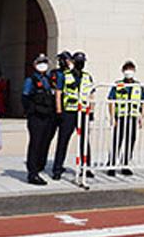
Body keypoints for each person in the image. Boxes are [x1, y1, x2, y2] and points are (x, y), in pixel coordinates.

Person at [51, 51, 94, 180]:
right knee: (63, 141)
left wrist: (91, 111)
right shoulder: (65, 75)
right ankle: (57, 169)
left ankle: (86, 168)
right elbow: (58, 93)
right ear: (73, 62)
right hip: (68, 112)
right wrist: (59, 110)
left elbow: (91, 94)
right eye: (78, 61)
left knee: (84, 142)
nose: (80, 64)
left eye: (82, 62)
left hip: (83, 112)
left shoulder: (87, 76)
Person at [21, 53, 57, 185]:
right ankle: (32, 173)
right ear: (35, 65)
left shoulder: (49, 79)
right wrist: (29, 111)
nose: (43, 65)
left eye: (45, 62)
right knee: (35, 143)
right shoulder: (31, 80)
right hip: (36, 116)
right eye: (40, 62)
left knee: (45, 142)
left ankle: (40, 166)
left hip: (48, 115)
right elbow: (25, 97)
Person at [107, 61, 144, 176]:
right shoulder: (118, 85)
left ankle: (125, 164)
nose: (128, 72)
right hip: (120, 117)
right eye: (126, 69)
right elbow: (111, 101)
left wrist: (142, 117)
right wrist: (112, 117)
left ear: (134, 71)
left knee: (131, 141)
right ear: (123, 71)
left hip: (133, 117)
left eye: (130, 69)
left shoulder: (138, 86)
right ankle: (112, 165)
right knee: (117, 141)